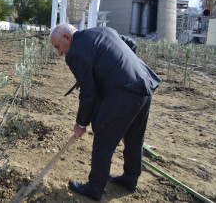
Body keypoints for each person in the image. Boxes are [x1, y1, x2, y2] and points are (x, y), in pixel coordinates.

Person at [49, 24, 161, 201]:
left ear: (66, 37)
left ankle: (94, 188)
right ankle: (130, 179)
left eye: (58, 47)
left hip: (125, 94)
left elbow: (88, 92)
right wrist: (123, 70)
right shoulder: (104, 31)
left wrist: (81, 124)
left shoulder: (75, 52)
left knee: (103, 139)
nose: (59, 52)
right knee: (134, 138)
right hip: (144, 85)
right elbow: (131, 44)